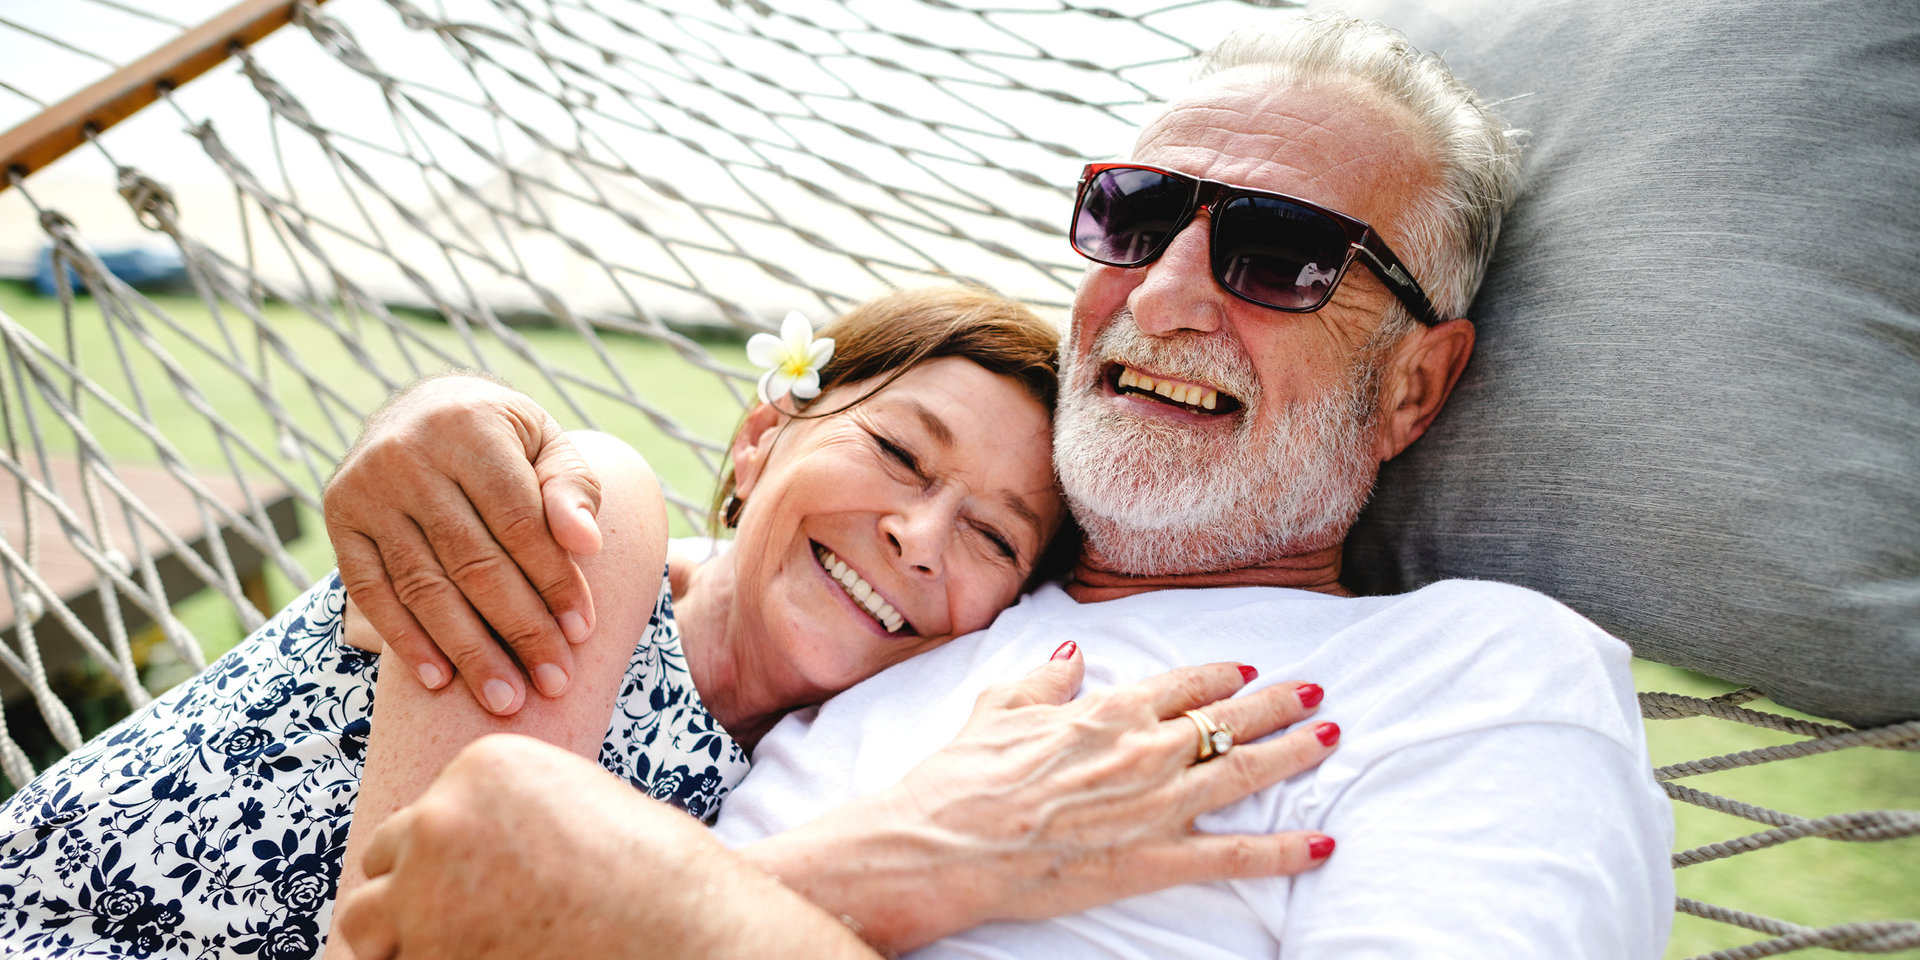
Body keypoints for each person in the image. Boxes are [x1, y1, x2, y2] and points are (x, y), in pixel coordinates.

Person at [332, 13, 1676, 959]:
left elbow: (509, 896)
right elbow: (689, 581)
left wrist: (640, 915)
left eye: (1280, 254)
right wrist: (452, 424)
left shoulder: (1482, 678)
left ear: (1412, 387)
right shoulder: (926, 603)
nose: (1161, 294)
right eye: (1138, 216)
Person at [0, 288, 1341, 959]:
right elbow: (399, 936)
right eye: (896, 452)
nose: (920, 540)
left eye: (993, 535)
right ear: (762, 441)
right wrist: (900, 862)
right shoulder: (606, 525)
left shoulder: (791, 775)